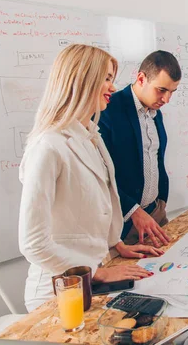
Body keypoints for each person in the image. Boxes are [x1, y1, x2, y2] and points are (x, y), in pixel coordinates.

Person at [19, 44, 160, 312]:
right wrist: (95, 272)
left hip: (93, 277)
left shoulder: (90, 136)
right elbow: (33, 243)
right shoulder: (48, 146)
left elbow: (94, 205)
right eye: (106, 78)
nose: (113, 87)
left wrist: (115, 244)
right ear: (82, 80)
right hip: (59, 291)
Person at [99, 50, 181, 247]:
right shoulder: (108, 109)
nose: (166, 99)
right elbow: (102, 176)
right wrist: (133, 211)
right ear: (142, 78)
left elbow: (156, 158)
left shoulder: (155, 111)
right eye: (161, 90)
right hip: (126, 223)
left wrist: (161, 200)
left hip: (156, 214)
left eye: (172, 92)